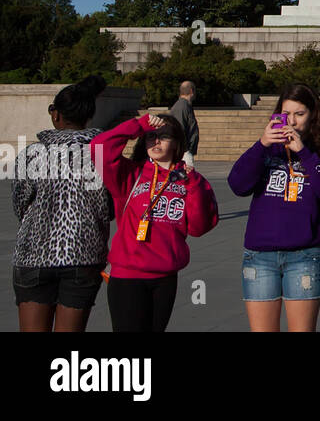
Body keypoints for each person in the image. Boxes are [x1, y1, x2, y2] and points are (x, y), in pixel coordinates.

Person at [228, 83, 320, 332]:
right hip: (260, 255)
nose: (291, 121)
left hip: (303, 255)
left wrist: (304, 152)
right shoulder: (267, 148)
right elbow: (238, 185)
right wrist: (261, 145)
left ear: (313, 114)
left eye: (299, 114)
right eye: (286, 114)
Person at [91, 112, 219, 332]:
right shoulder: (131, 174)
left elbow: (199, 227)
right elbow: (98, 146)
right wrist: (138, 125)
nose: (156, 141)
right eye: (151, 136)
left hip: (165, 277)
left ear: (177, 142)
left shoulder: (189, 179)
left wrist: (193, 185)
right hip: (127, 276)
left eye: (164, 136)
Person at [12, 76, 113, 332]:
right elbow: (110, 207)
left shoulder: (33, 154)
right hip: (83, 255)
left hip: (34, 254)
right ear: (89, 116)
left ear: (56, 115)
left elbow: (20, 204)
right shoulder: (100, 154)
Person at [168, 80, 200, 167]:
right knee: (187, 177)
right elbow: (179, 128)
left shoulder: (184, 105)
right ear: (191, 91)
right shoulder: (182, 106)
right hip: (184, 152)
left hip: (184, 150)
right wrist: (185, 149)